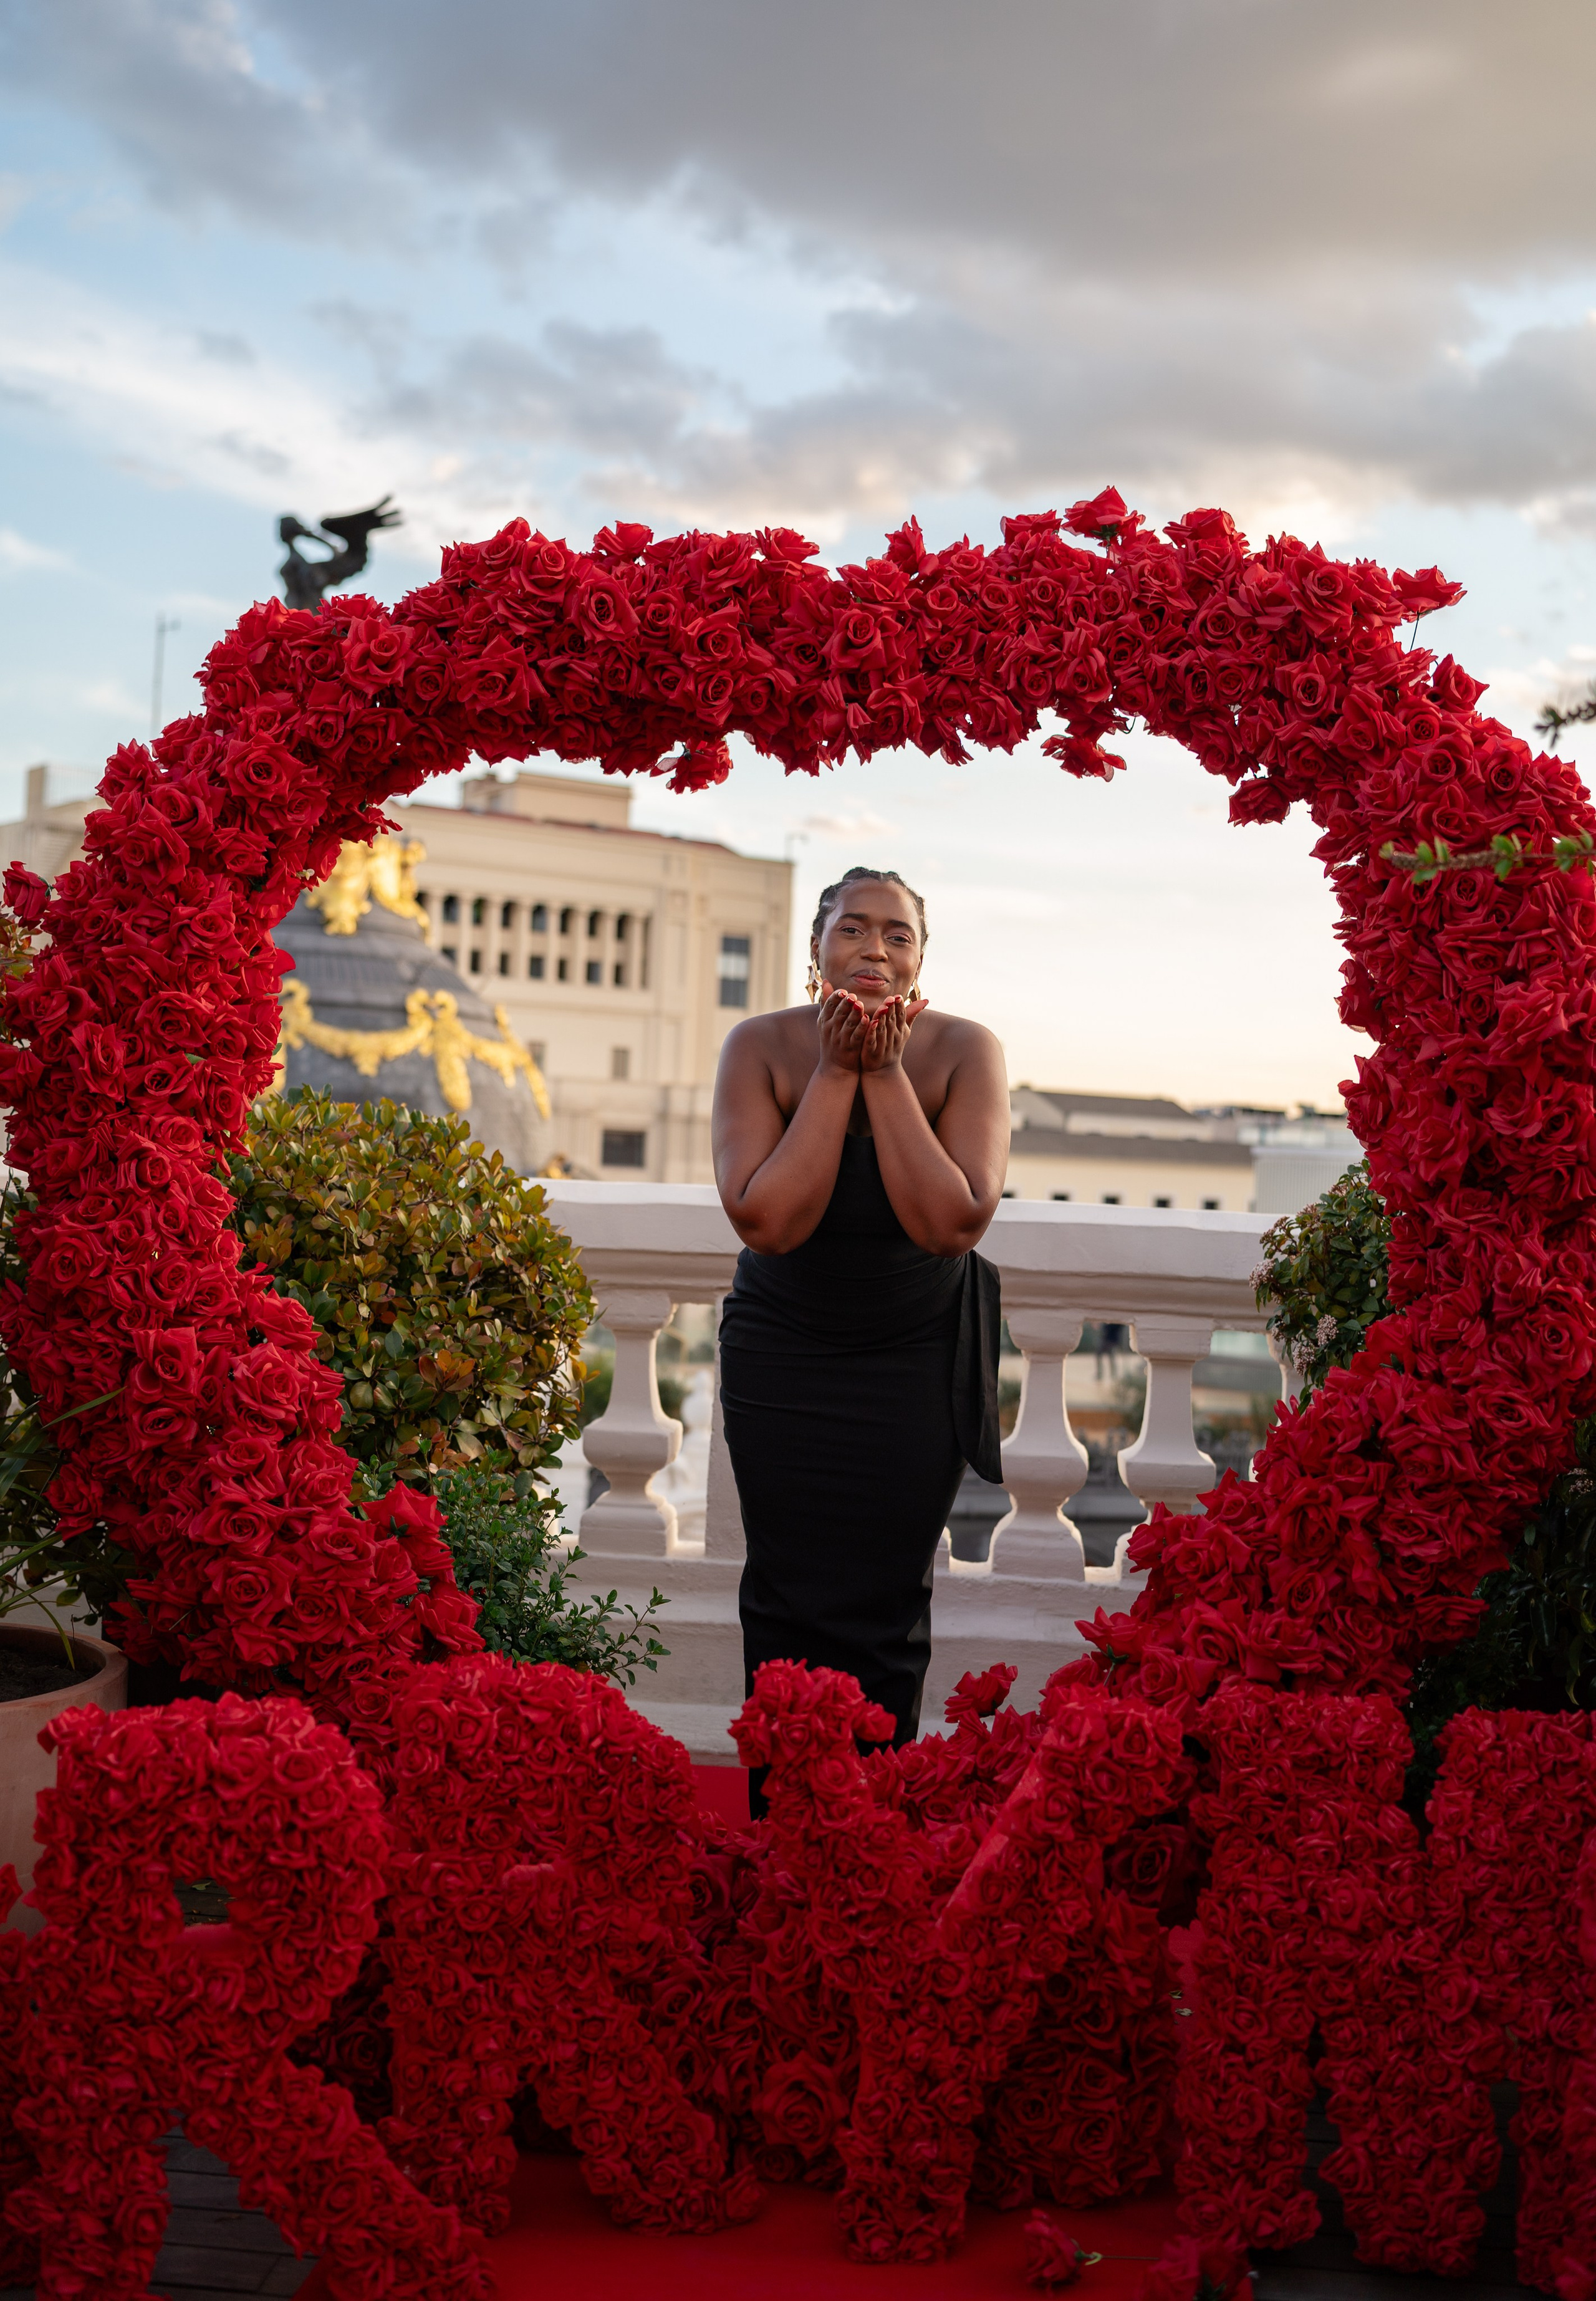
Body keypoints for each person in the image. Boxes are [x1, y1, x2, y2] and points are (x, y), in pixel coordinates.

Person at [712, 867, 1010, 1810]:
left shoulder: (966, 1051)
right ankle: (782, 1825)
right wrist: (839, 1069)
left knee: (887, 1604)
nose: (873, 951)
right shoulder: (758, 1046)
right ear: (814, 950)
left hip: (913, 1358)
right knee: (786, 1596)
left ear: (921, 960)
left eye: (898, 936)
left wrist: (879, 1069)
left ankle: (876, 1831)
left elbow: (952, 1223)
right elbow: (768, 1221)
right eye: (852, 932)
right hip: (784, 1352)